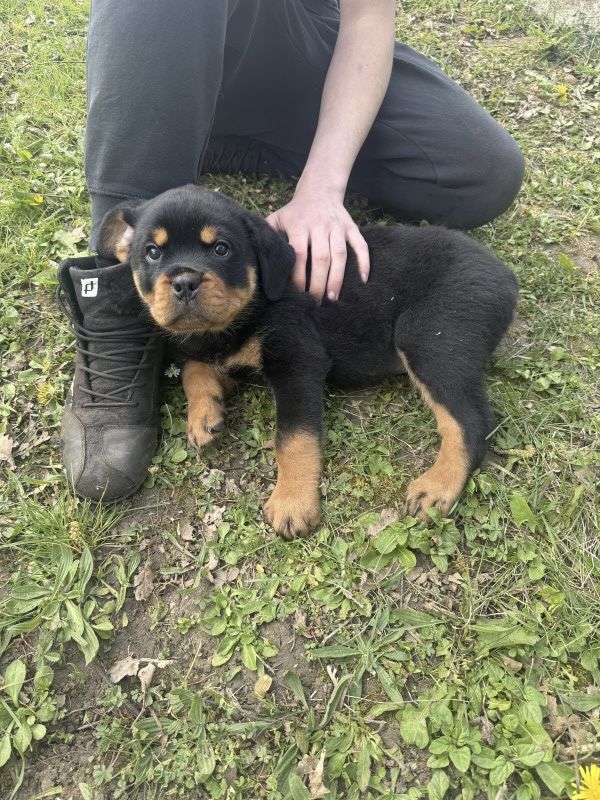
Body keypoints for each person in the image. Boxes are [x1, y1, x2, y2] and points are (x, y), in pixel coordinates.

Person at [57, 0, 524, 502]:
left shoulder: (274, 303)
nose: (184, 278)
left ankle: (216, 138)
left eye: (218, 253)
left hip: (300, 31)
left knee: (485, 173)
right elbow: (213, 352)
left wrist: (322, 186)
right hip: (170, 25)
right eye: (153, 254)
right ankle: (113, 315)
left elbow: (368, 14)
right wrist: (198, 379)